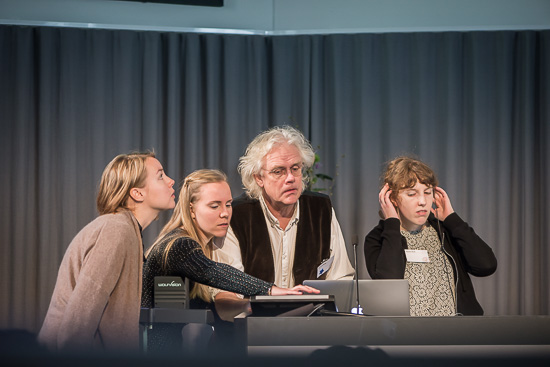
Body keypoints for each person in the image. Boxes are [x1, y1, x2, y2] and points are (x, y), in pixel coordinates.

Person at [142, 169, 317, 352]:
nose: (225, 213)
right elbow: (212, 272)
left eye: (228, 204)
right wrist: (272, 290)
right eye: (214, 206)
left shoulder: (200, 246)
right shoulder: (179, 244)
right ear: (191, 209)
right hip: (153, 354)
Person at [38, 152, 176, 352]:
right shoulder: (116, 230)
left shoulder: (127, 229)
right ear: (137, 193)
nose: (171, 181)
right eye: (161, 176)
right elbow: (77, 327)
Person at [211, 125, 354, 303]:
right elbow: (227, 292)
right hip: (253, 323)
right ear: (258, 178)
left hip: (312, 323)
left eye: (295, 168)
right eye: (278, 171)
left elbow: (341, 279)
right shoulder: (237, 214)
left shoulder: (320, 210)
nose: (290, 178)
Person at [364, 156, 497, 316]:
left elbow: (486, 266)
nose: (422, 201)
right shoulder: (378, 239)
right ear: (393, 199)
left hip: (457, 333)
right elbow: (388, 285)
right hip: (407, 334)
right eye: (412, 194)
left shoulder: (445, 231)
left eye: (427, 192)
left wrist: (452, 219)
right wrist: (391, 223)